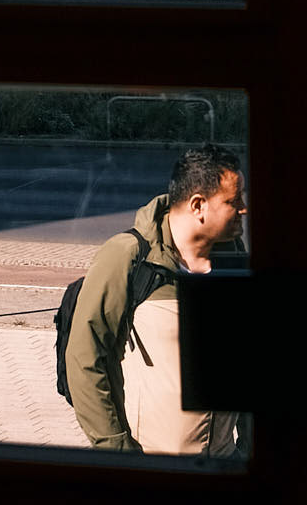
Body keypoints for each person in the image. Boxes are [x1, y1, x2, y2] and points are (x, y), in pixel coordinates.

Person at [66, 143, 247, 456]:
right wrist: (117, 451)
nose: (243, 208)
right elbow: (84, 358)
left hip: (222, 462)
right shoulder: (129, 256)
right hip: (154, 466)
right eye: (233, 200)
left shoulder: (233, 257)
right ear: (198, 205)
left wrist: (248, 450)